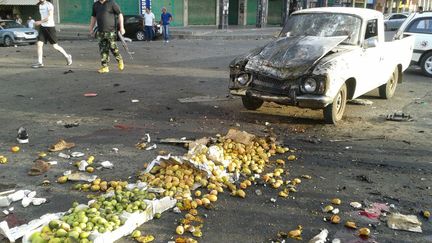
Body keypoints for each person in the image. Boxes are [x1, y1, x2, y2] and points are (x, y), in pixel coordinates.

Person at [32, 0, 72, 68]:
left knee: (55, 46)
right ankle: (40, 62)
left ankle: (67, 56)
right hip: (43, 27)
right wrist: (40, 23)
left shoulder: (49, 5)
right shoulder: (40, 5)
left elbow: (50, 16)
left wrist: (40, 22)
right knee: (39, 44)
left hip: (50, 28)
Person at [89, 0, 125, 74]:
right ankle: (105, 67)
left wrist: (122, 27)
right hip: (100, 32)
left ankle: (120, 60)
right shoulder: (95, 5)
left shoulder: (111, 3)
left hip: (111, 31)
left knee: (113, 48)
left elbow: (120, 14)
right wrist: (91, 28)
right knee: (103, 50)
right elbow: (93, 17)